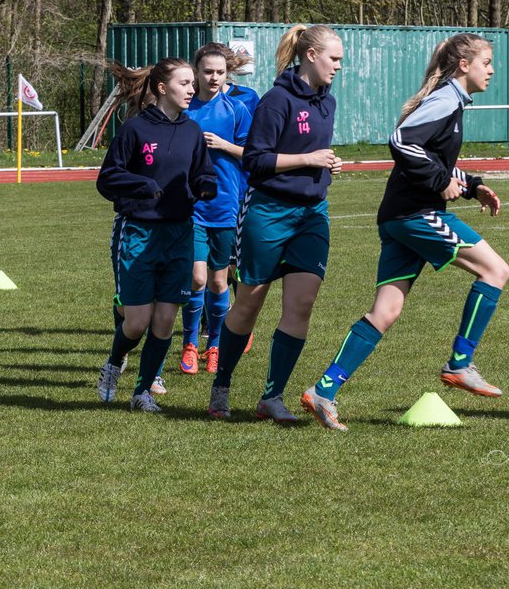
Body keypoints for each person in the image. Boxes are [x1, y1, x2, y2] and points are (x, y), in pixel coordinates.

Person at [298, 33, 507, 431]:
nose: (492, 70)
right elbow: (401, 141)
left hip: (399, 217)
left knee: (385, 312)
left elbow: (428, 156)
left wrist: (472, 184)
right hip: (415, 215)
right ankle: (460, 363)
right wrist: (439, 179)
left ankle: (323, 391)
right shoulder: (446, 99)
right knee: (495, 270)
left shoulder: (452, 101)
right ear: (464, 65)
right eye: (487, 62)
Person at [206, 25, 344, 421]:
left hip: (312, 215)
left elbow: (314, 155)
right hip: (267, 212)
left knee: (302, 304)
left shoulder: (326, 102)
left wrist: (329, 164)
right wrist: (309, 159)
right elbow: (255, 160)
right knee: (248, 304)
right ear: (311, 55)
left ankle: (272, 396)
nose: (338, 66)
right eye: (333, 58)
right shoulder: (276, 100)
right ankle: (221, 386)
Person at [95, 58, 216, 413]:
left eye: (193, 83)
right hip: (139, 233)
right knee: (137, 323)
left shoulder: (193, 131)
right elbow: (107, 179)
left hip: (179, 233)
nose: (192, 89)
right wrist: (142, 184)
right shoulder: (135, 130)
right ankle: (113, 365)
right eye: (185, 83)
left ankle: (142, 392)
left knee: (164, 321)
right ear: (163, 88)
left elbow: (201, 172)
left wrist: (206, 186)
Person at [180, 44, 254, 377]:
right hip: (191, 206)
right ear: (196, 72)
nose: (213, 77)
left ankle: (216, 346)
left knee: (219, 282)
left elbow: (254, 155)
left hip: (226, 205)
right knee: (197, 279)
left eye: (220, 72)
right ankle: (190, 344)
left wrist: (224, 146)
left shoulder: (236, 109)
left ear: (227, 74)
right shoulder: (184, 109)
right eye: (208, 71)